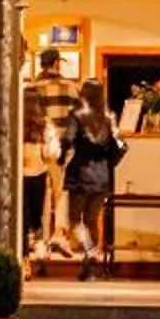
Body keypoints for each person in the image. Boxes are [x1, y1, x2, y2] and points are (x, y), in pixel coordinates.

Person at [62, 81, 126, 279]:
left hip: (81, 173)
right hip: (102, 176)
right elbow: (121, 145)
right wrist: (110, 164)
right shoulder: (110, 117)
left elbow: (68, 139)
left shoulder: (76, 115)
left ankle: (90, 255)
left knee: (75, 220)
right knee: (91, 220)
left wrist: (61, 157)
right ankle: (89, 264)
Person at [21, 48, 79, 258]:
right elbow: (77, 120)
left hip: (36, 145)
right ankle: (59, 234)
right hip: (61, 149)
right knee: (60, 190)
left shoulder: (31, 88)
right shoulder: (72, 88)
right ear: (56, 64)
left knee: (39, 194)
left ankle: (39, 239)